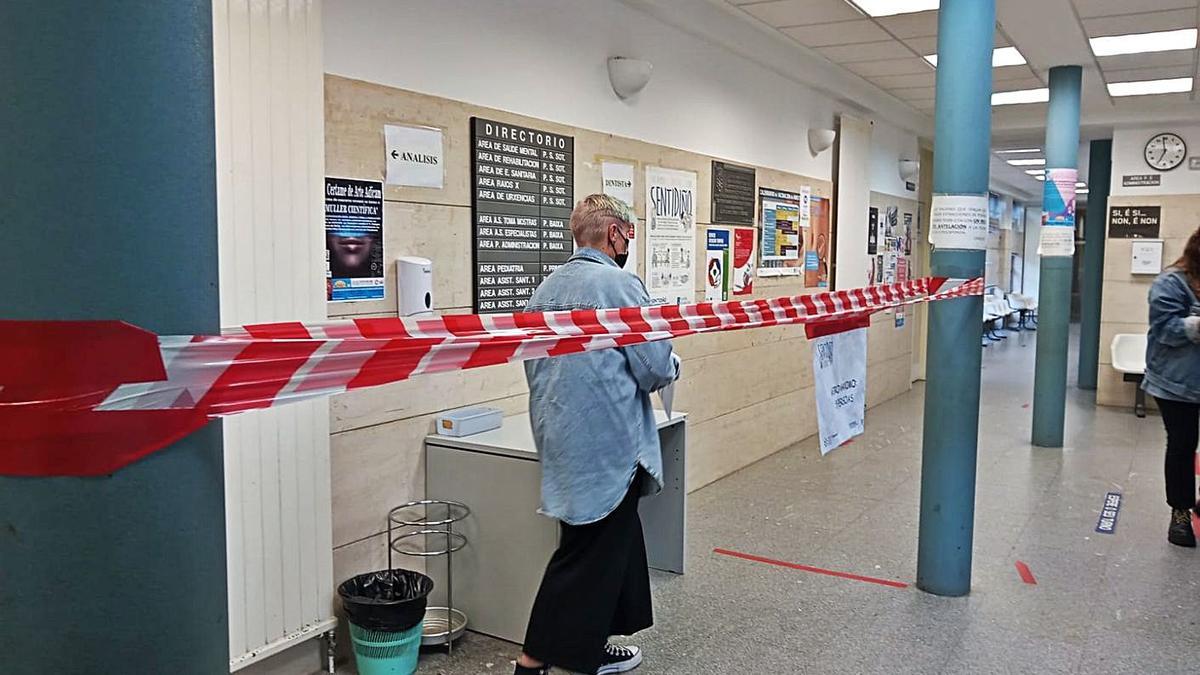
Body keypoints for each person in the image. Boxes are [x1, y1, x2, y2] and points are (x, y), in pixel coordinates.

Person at [515, 194, 680, 675]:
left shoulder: (545, 289)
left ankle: (595, 645)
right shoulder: (620, 284)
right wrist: (673, 362)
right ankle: (535, 662)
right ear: (615, 234)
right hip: (609, 446)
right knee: (585, 559)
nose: (629, 242)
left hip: (560, 438)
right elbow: (651, 367)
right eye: (628, 234)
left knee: (612, 545)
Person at [1143, 226, 1200, 547]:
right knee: (1182, 444)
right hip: (1175, 382)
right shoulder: (1170, 283)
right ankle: (1180, 512)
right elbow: (1164, 329)